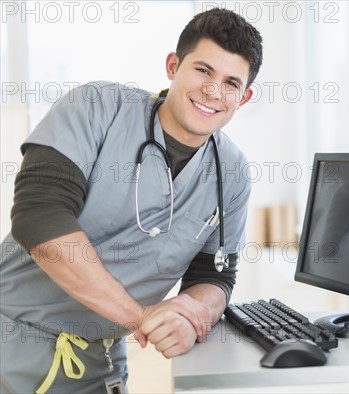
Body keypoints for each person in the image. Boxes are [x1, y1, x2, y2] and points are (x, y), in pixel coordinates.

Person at [0, 8, 262, 393]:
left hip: (104, 360)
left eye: (231, 82)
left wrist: (192, 316)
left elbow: (215, 274)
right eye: (203, 71)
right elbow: (39, 218)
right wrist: (141, 318)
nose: (213, 92)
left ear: (245, 96)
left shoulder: (233, 173)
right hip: (15, 344)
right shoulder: (96, 107)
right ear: (173, 65)